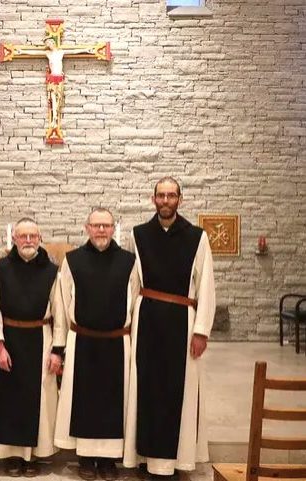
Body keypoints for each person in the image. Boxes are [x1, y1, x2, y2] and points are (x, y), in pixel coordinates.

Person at [123, 177, 216, 480]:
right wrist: (126, 325)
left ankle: (176, 462)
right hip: (146, 320)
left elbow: (206, 284)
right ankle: (144, 458)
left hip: (182, 323)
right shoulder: (138, 234)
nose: (165, 200)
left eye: (171, 195)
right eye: (161, 195)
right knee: (145, 388)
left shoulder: (197, 237)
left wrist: (201, 330)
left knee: (179, 390)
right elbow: (132, 283)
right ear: (153, 199)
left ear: (180, 199)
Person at [54, 208, 139, 481]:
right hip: (83, 341)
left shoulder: (129, 261)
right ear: (87, 228)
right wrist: (59, 346)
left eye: (106, 225)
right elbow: (62, 302)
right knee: (86, 400)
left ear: (114, 228)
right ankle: (86, 457)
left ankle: (108, 460)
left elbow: (135, 300)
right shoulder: (72, 260)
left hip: (117, 341)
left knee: (114, 401)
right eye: (96, 225)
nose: (101, 230)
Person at [0, 218, 66, 476]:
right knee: (9, 399)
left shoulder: (51, 271)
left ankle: (34, 455)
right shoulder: (0, 269)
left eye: (33, 236)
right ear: (14, 239)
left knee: (39, 399)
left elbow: (59, 313)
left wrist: (57, 350)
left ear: (40, 238)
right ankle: (12, 455)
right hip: (10, 340)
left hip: (41, 338)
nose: (29, 241)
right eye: (23, 236)